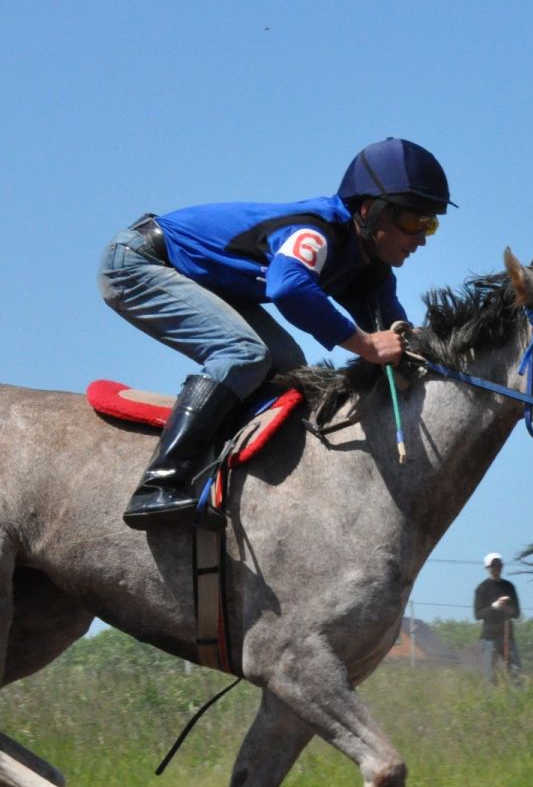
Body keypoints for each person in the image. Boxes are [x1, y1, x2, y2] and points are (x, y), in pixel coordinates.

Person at [100, 138, 453, 528]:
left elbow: (397, 338)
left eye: (430, 224)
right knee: (243, 353)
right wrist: (366, 345)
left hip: (198, 278)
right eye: (411, 222)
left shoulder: (371, 271)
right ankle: (158, 486)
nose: (421, 238)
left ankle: (224, 471)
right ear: (369, 211)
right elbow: (288, 288)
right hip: (138, 262)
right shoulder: (316, 233)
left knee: (288, 367)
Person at [474, 552, 522, 681]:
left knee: (515, 669)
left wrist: (506, 608)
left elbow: (517, 613)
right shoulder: (482, 588)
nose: (496, 568)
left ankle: (516, 697)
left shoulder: (509, 587)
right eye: (493, 565)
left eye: (499, 565)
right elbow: (478, 614)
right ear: (487, 568)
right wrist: (494, 607)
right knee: (490, 673)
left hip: (507, 635)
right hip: (489, 636)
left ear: (502, 566)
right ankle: (491, 699)